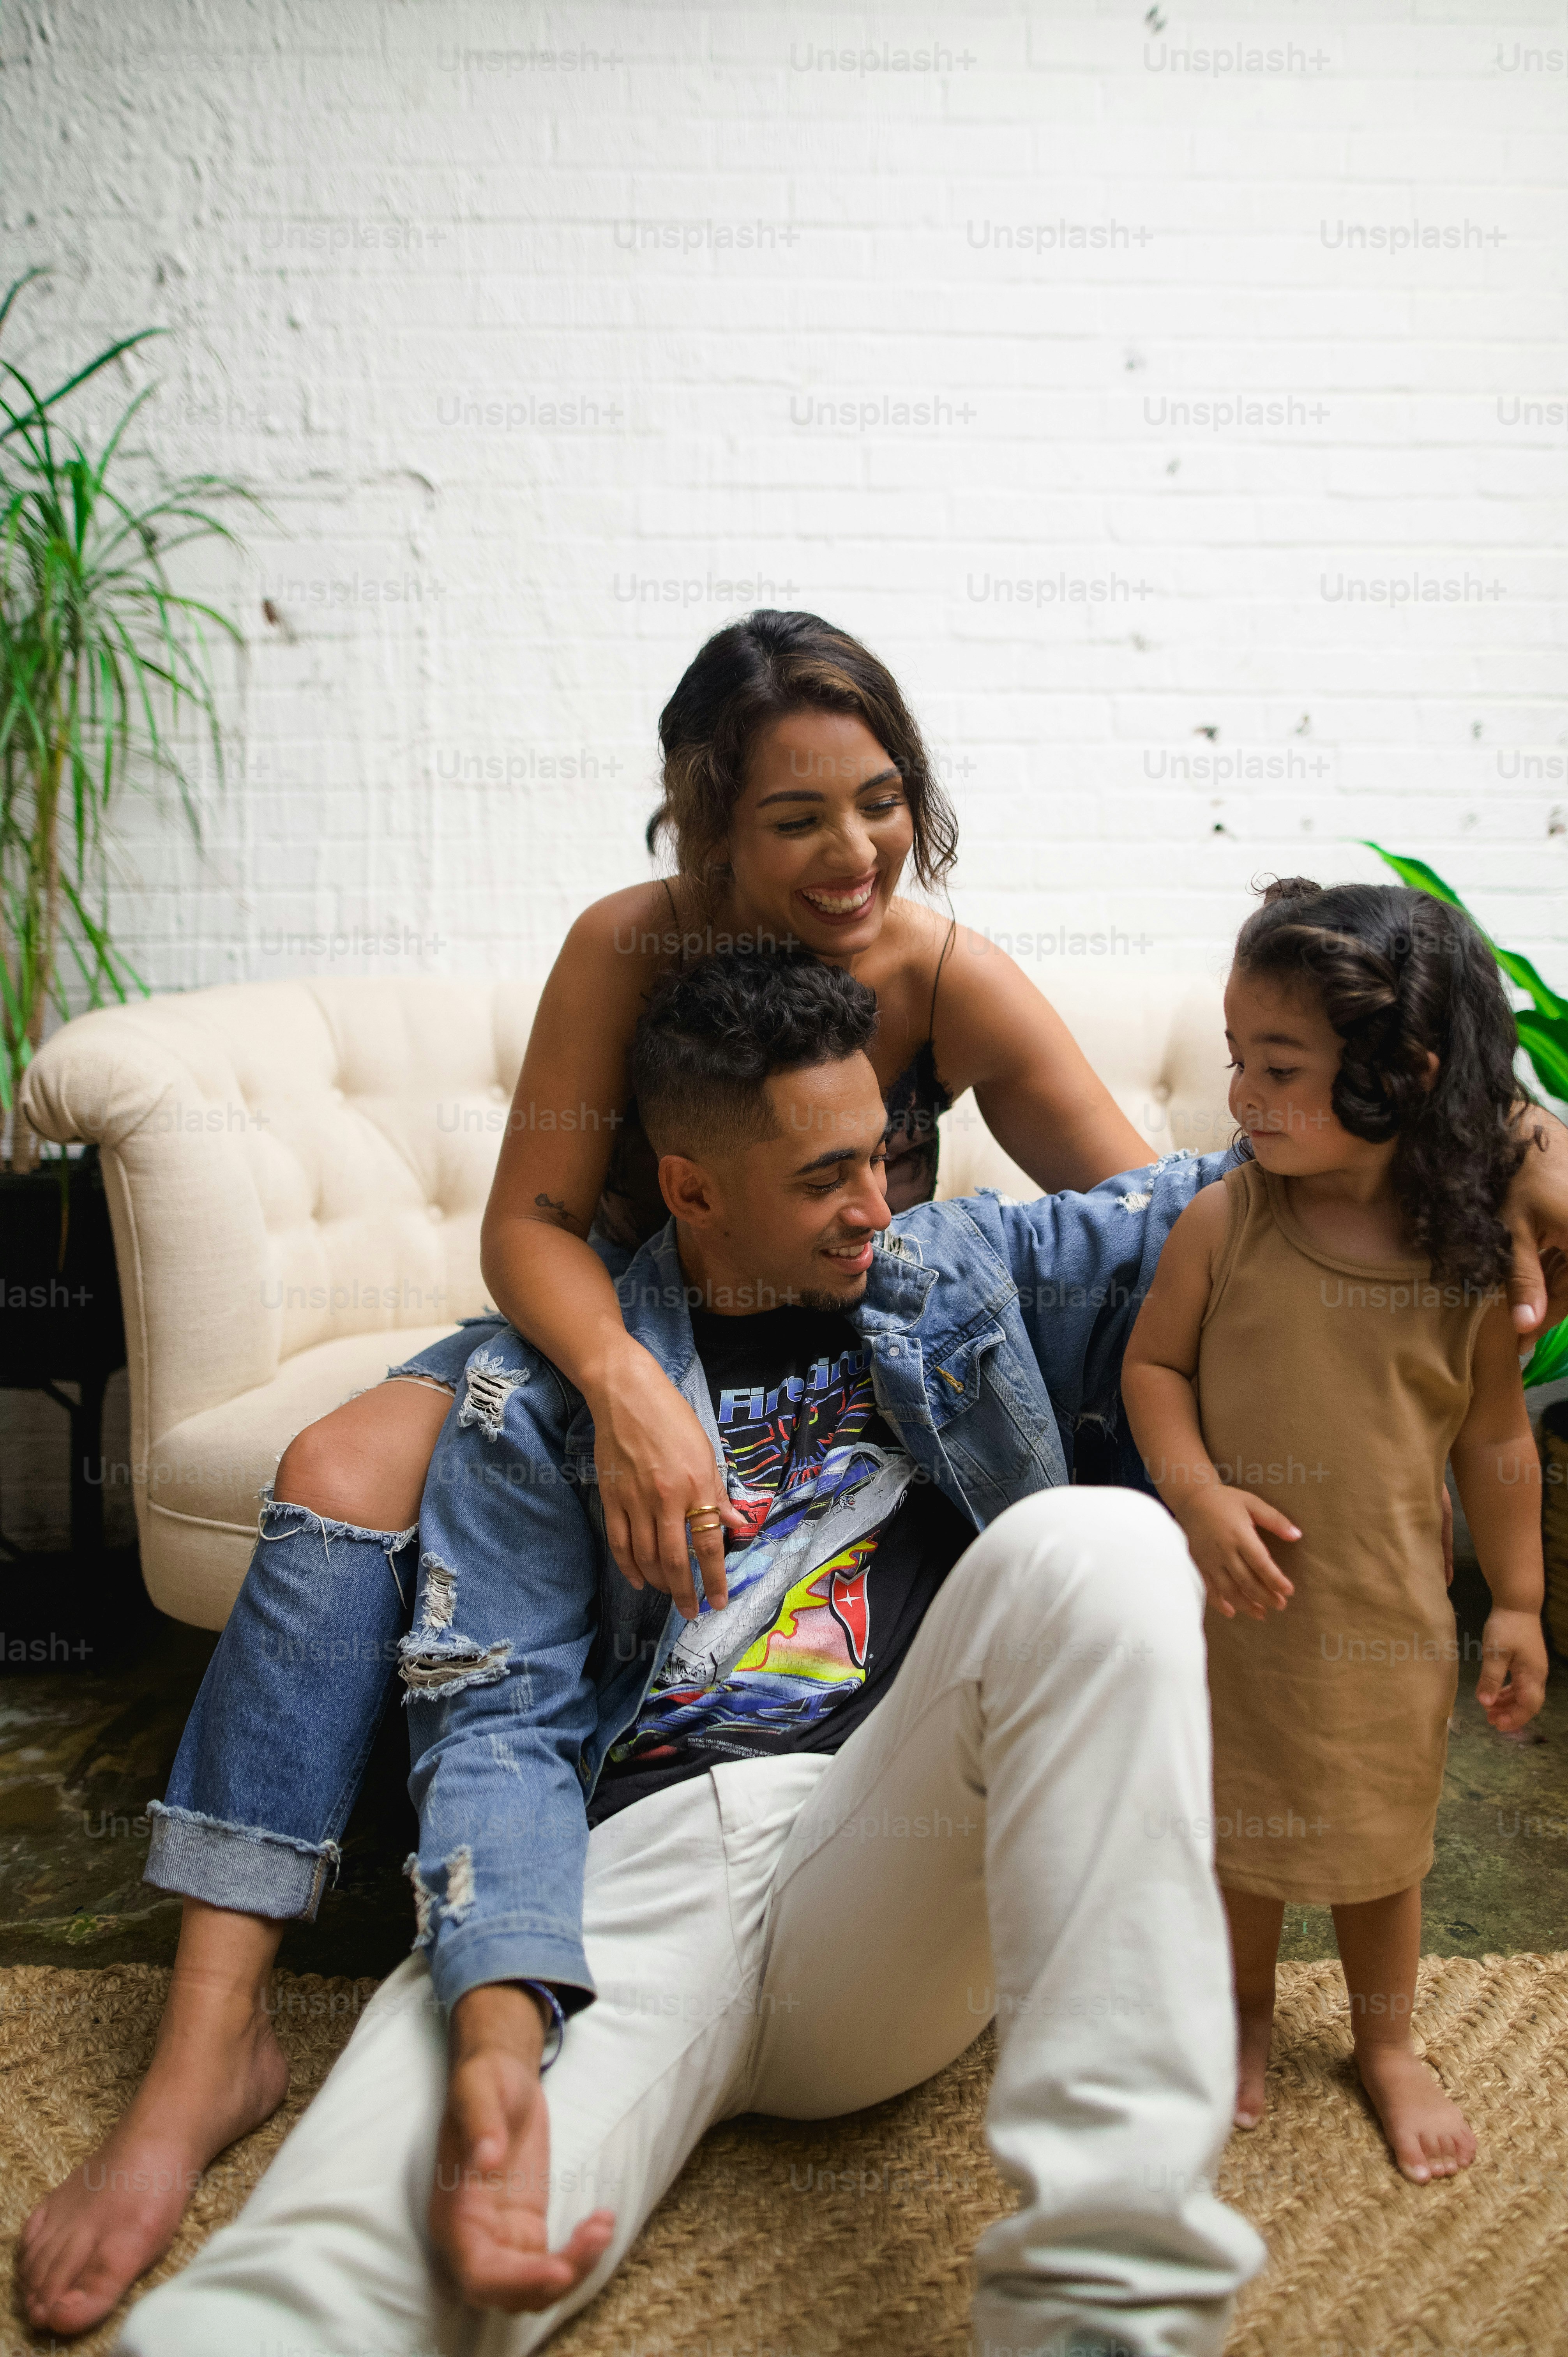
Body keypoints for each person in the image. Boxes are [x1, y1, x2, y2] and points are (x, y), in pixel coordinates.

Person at [19, 604, 1164, 2337]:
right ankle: (207, 2045)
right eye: (796, 818)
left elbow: (1146, 1219)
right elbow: (526, 1223)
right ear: (706, 823)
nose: (852, 851)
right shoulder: (629, 949)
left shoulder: (942, 974)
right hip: (601, 1338)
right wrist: (629, 1388)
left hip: (829, 1371)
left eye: (879, 799)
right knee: (338, 1463)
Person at [112, 947, 1270, 2357]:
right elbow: (500, 1735)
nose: (875, 1207)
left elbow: (1215, 1194)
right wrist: (495, 2030)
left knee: (1102, 1551)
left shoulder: (955, 1274)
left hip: (891, 1855)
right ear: (692, 1189)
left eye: (882, 1159)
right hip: (625, 1890)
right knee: (352, 2260)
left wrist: (1497, 1137)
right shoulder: (534, 1408)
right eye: (823, 1179)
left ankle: (1111, 2315)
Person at [1122, 880, 1549, 2186]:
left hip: (1390, 1628)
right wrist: (1196, 1494)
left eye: (1280, 1067)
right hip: (1239, 1613)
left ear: (1403, 1075)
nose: (1242, 1093)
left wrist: (1521, 1602)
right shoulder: (1226, 1221)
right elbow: (1155, 1371)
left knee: (1382, 1849)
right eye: (1240, 1058)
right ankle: (1244, 2011)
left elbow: (1495, 1438)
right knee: (1242, 1842)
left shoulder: (1465, 1261)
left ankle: (1390, 2044)